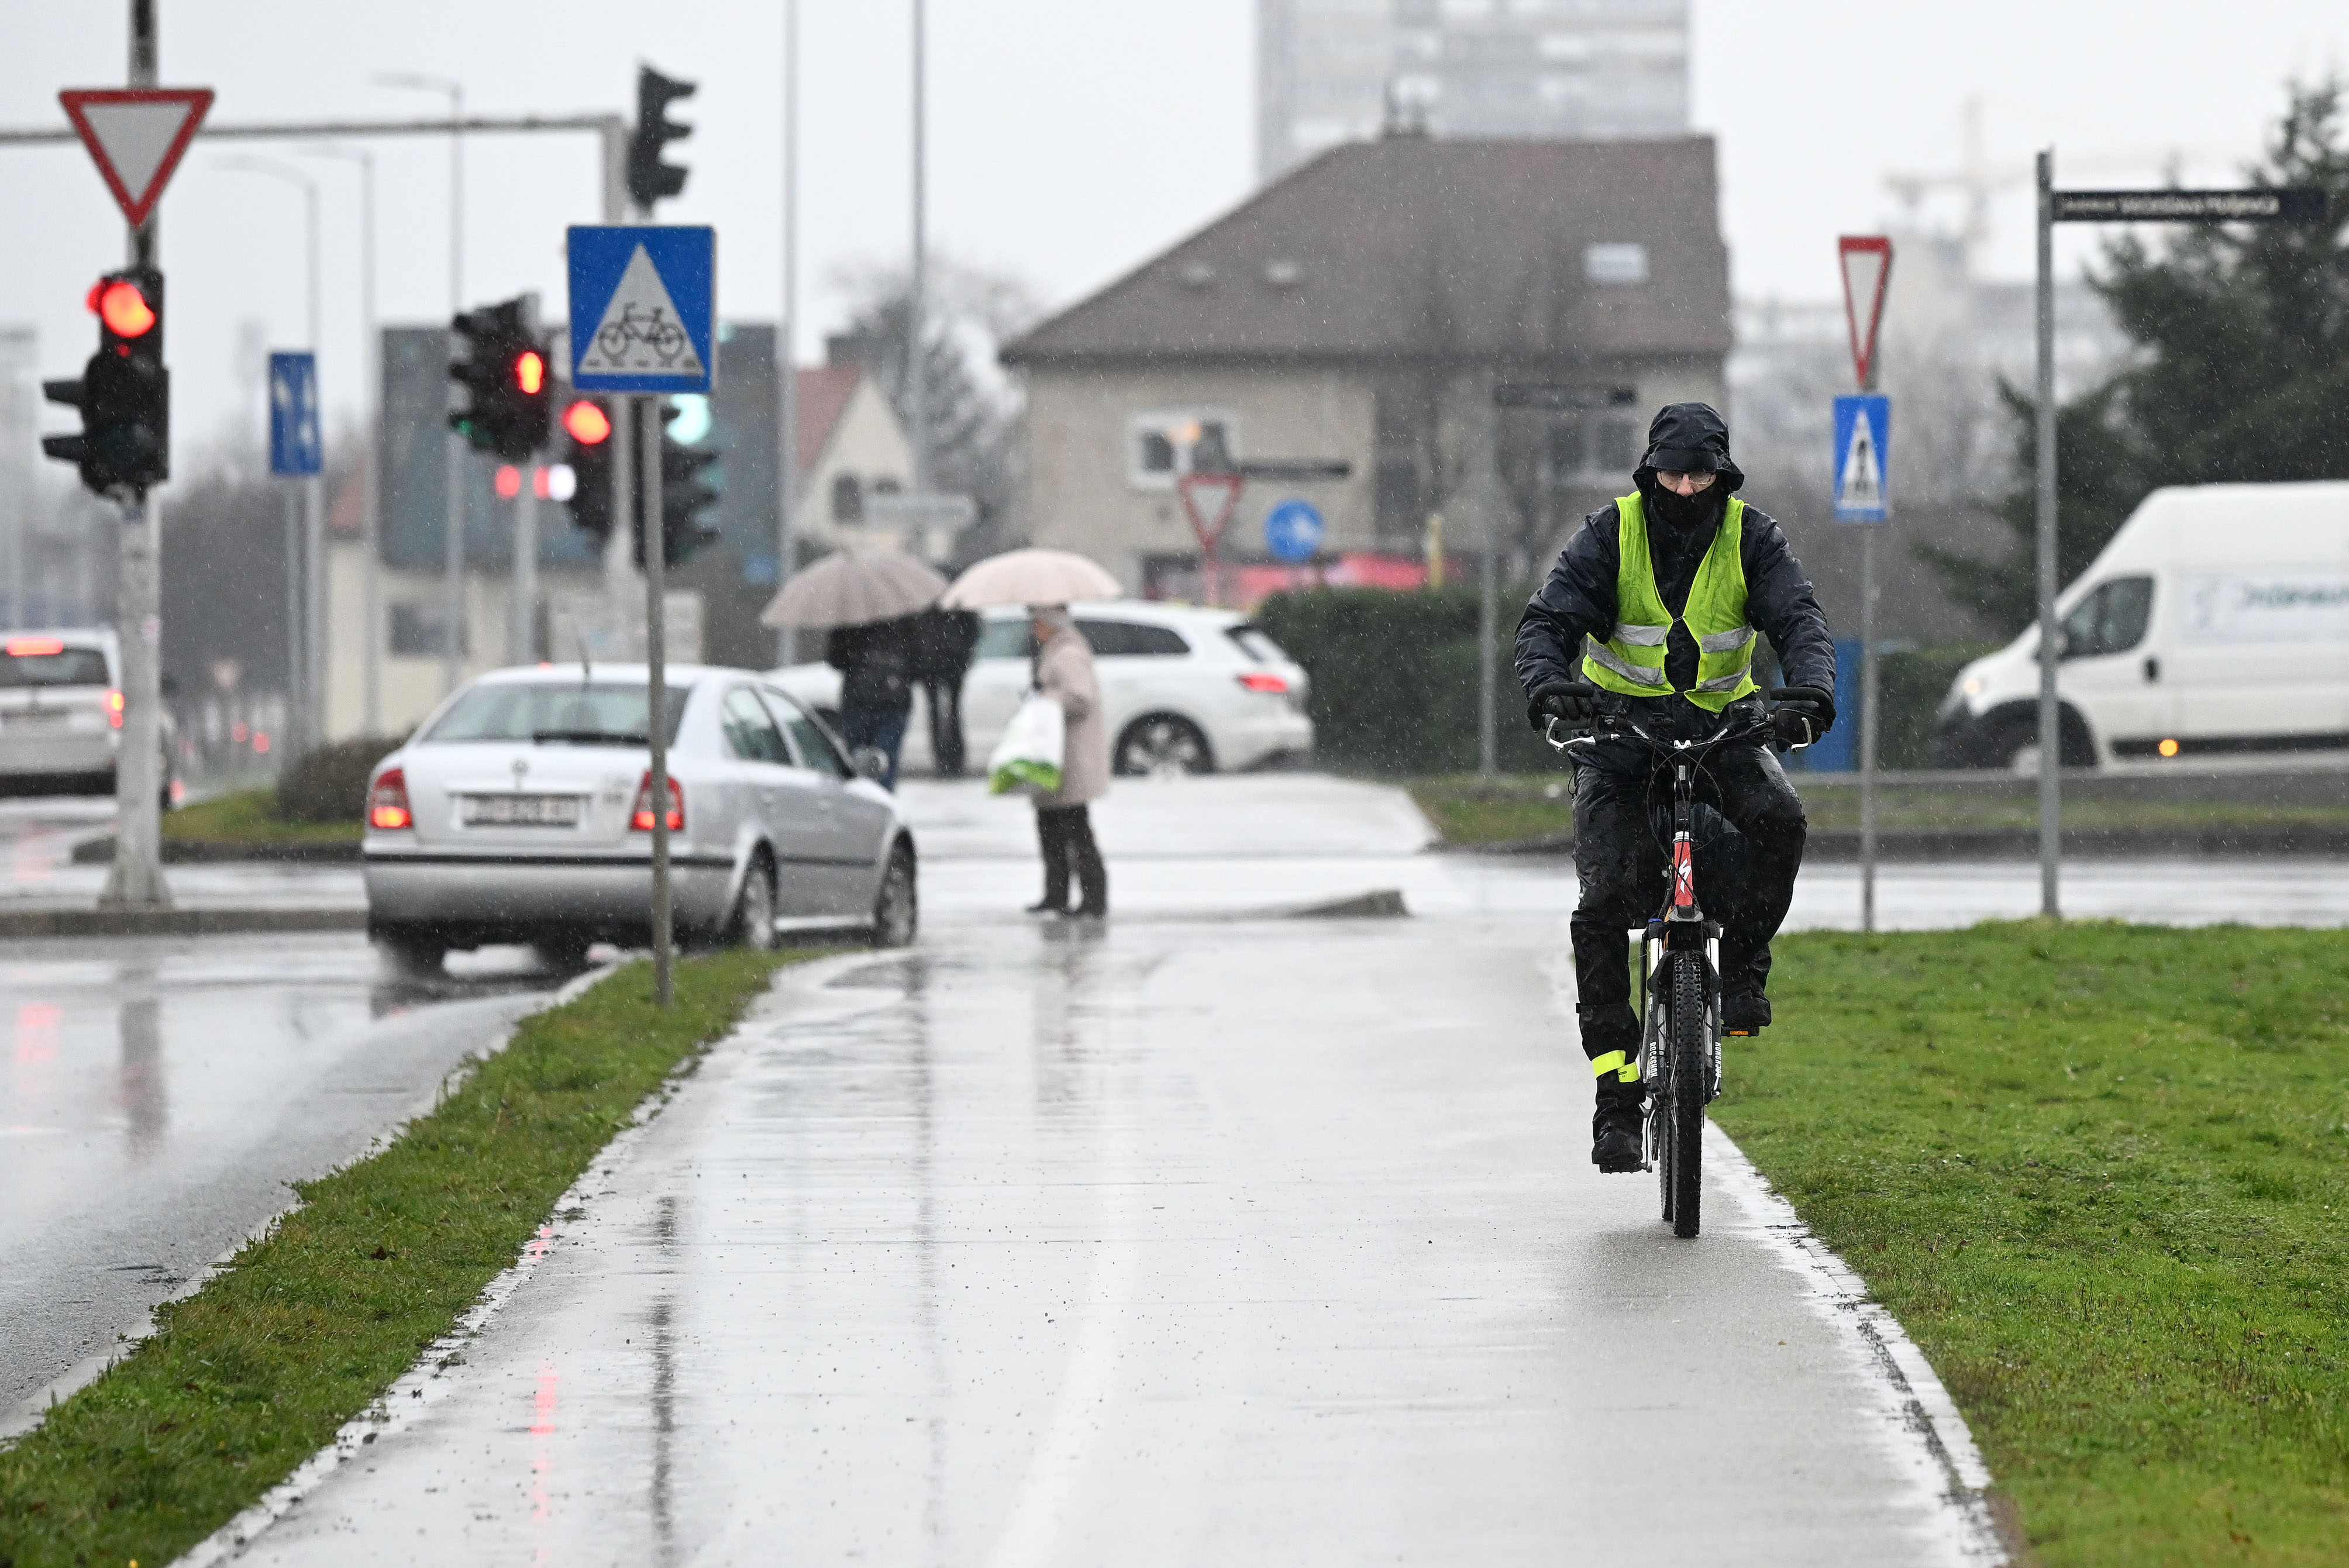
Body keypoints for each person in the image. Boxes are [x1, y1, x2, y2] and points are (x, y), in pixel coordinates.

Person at [1514, 402, 1838, 1174]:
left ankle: (1746, 968)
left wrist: (1811, 692)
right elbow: (1547, 622)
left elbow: (1799, 621)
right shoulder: (1610, 534)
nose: (1686, 490)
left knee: (1779, 822)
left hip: (1723, 730)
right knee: (1603, 906)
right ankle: (1616, 1101)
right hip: (1619, 737)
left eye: (1701, 476)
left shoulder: (1753, 538)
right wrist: (1550, 686)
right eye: (1672, 474)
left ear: (1723, 477)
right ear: (1649, 472)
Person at [1028, 604, 1109, 918]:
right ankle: (1056, 894)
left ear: (1051, 624)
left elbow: (1080, 698)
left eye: (1037, 622)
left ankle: (1092, 899)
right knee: (1050, 824)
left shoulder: (1067, 654)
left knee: (1075, 827)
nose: (1034, 629)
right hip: (1055, 753)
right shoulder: (1055, 651)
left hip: (1070, 756)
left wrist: (1046, 698)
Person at [825, 615, 915, 789]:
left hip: (861, 699)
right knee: (884, 761)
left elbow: (835, 659)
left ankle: (864, 799)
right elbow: (920, 660)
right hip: (889, 700)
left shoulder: (850, 618)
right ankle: (879, 799)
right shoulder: (903, 619)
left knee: (859, 760)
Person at [908, 605, 981, 777]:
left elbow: (971, 630)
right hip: (940, 664)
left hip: (941, 663)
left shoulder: (931, 607)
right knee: (946, 711)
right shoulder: (955, 606)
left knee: (945, 711)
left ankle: (948, 757)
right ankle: (947, 757)